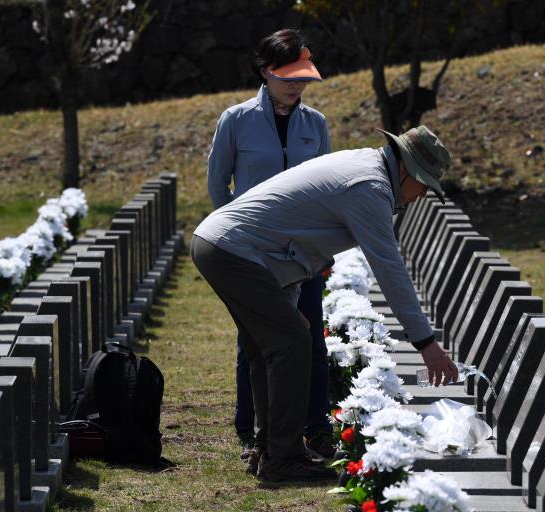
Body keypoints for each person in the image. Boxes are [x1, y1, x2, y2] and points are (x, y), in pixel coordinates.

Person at [191, 125, 460, 482]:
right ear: (405, 170)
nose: (423, 193)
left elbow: (292, 239)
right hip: (233, 250)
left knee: (269, 346)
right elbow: (388, 267)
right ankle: (282, 457)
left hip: (224, 245)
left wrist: (289, 305)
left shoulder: (364, 166)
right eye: (424, 183)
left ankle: (270, 447)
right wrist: (426, 343)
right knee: (291, 342)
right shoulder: (370, 187)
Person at [205, 28, 334, 467]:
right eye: (289, 76)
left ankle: (315, 426)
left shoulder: (315, 124)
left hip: (302, 253)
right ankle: (254, 431)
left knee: (310, 336)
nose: (297, 85)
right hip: (250, 254)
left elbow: (328, 186)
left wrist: (321, 246)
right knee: (255, 342)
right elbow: (217, 182)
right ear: (265, 72)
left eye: (304, 77)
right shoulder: (236, 119)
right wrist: (235, 234)